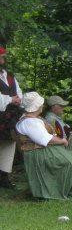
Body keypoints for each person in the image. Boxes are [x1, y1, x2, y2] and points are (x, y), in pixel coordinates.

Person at [14, 92, 72, 199]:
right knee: (70, 161)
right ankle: (62, 190)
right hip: (37, 153)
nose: (42, 106)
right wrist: (63, 141)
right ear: (37, 106)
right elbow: (44, 139)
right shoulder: (30, 122)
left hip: (42, 150)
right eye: (40, 104)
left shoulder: (34, 119)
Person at [0, 46, 24, 188]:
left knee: (9, 144)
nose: (3, 61)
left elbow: (19, 92)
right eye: (1, 58)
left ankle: (4, 177)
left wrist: (18, 98)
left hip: (10, 118)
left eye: (3, 58)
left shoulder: (9, 75)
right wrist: (10, 99)